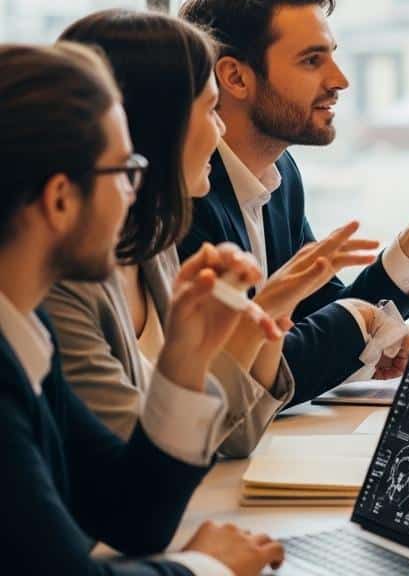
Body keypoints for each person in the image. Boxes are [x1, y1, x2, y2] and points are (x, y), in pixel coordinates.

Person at [0, 43, 284, 575]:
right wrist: (205, 567)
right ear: (61, 199)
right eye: (125, 171)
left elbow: (132, 516)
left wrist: (184, 361)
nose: (136, 192)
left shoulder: (27, 327)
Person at [178, 0, 409, 402]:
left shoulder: (281, 173)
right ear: (236, 78)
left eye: (332, 56)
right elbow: (248, 372)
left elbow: (318, 311)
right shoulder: (188, 197)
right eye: (311, 60)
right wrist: (366, 331)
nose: (340, 80)